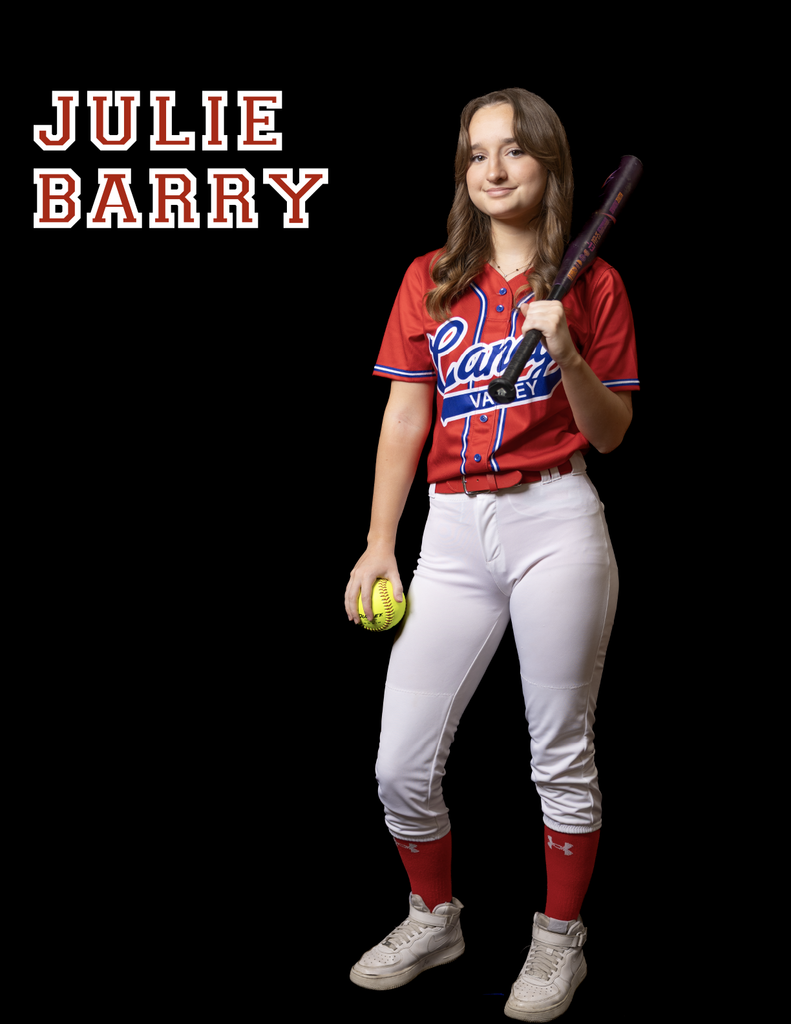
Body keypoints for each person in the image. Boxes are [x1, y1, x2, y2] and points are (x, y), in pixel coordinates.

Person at [343, 87, 638, 1021]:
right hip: (451, 530)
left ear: (548, 165)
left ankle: (558, 942)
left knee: (556, 752)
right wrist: (377, 544)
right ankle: (435, 915)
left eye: (513, 151)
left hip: (554, 519)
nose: (494, 170)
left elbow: (613, 432)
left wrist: (570, 358)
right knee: (398, 764)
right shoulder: (429, 278)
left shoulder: (591, 284)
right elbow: (404, 414)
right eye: (476, 155)